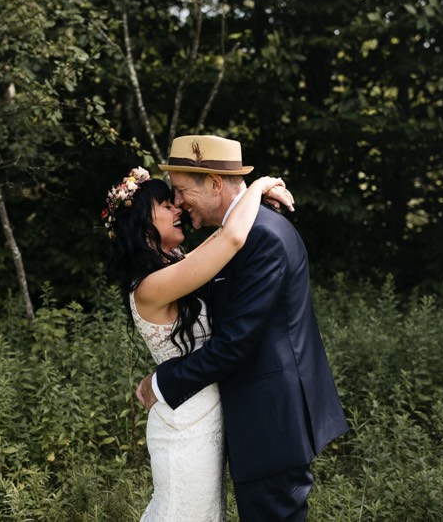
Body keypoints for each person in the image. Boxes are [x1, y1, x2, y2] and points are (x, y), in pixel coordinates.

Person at [133, 134, 350, 521]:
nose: (179, 202)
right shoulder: (236, 235)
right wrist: (260, 189)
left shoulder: (259, 236)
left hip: (271, 419)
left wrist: (162, 382)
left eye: (181, 191)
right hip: (250, 418)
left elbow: (235, 343)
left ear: (215, 184)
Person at [103, 164, 288, 521]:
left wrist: (248, 197)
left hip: (204, 419)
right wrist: (260, 184)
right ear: (142, 224)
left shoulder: (173, 268)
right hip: (183, 427)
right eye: (165, 205)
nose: (177, 210)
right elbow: (231, 238)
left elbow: (221, 239)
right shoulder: (151, 285)